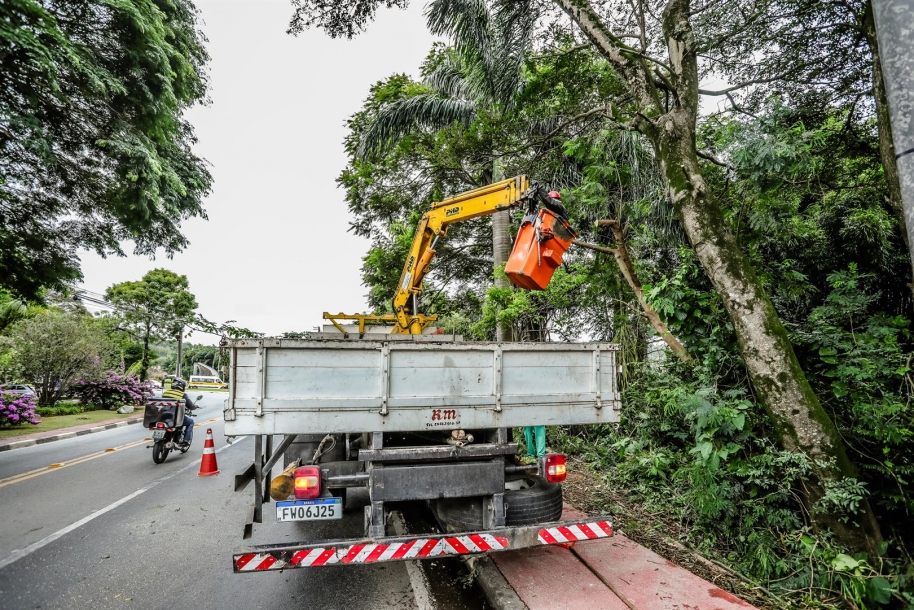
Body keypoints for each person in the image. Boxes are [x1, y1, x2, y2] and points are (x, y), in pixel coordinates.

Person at [162, 378, 197, 447]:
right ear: (182, 386)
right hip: (176, 417)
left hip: (163, 416)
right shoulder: (182, 394)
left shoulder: (166, 392)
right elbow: (190, 406)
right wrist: (194, 407)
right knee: (190, 422)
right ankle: (186, 441)